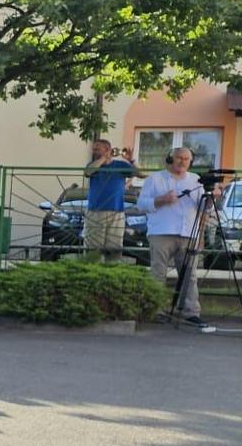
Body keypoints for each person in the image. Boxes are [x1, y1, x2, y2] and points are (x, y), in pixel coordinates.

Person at [135, 146, 218, 326]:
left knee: (189, 275)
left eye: (186, 159)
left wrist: (212, 198)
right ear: (170, 159)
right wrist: (161, 199)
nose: (182, 162)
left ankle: (190, 312)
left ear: (191, 162)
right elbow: (141, 204)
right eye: (179, 158)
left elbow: (204, 208)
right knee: (158, 272)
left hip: (188, 232)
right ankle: (155, 310)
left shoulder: (196, 180)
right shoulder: (155, 179)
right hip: (161, 232)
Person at [84, 139, 135, 261]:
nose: (94, 151)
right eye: (94, 149)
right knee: (93, 250)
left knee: (114, 249)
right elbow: (88, 172)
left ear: (107, 149)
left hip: (117, 212)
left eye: (97, 149)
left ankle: (111, 275)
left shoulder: (120, 166)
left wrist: (131, 160)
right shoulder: (93, 165)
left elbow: (142, 174)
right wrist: (103, 159)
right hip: (95, 212)